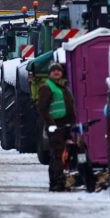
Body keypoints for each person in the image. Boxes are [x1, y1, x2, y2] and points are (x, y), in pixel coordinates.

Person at [37, 63, 76, 192]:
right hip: (56, 127)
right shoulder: (46, 88)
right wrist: (51, 124)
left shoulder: (62, 87)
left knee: (66, 154)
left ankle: (63, 180)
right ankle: (56, 182)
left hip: (65, 126)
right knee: (57, 155)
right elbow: (42, 109)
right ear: (49, 74)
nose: (56, 72)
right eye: (53, 70)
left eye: (58, 70)